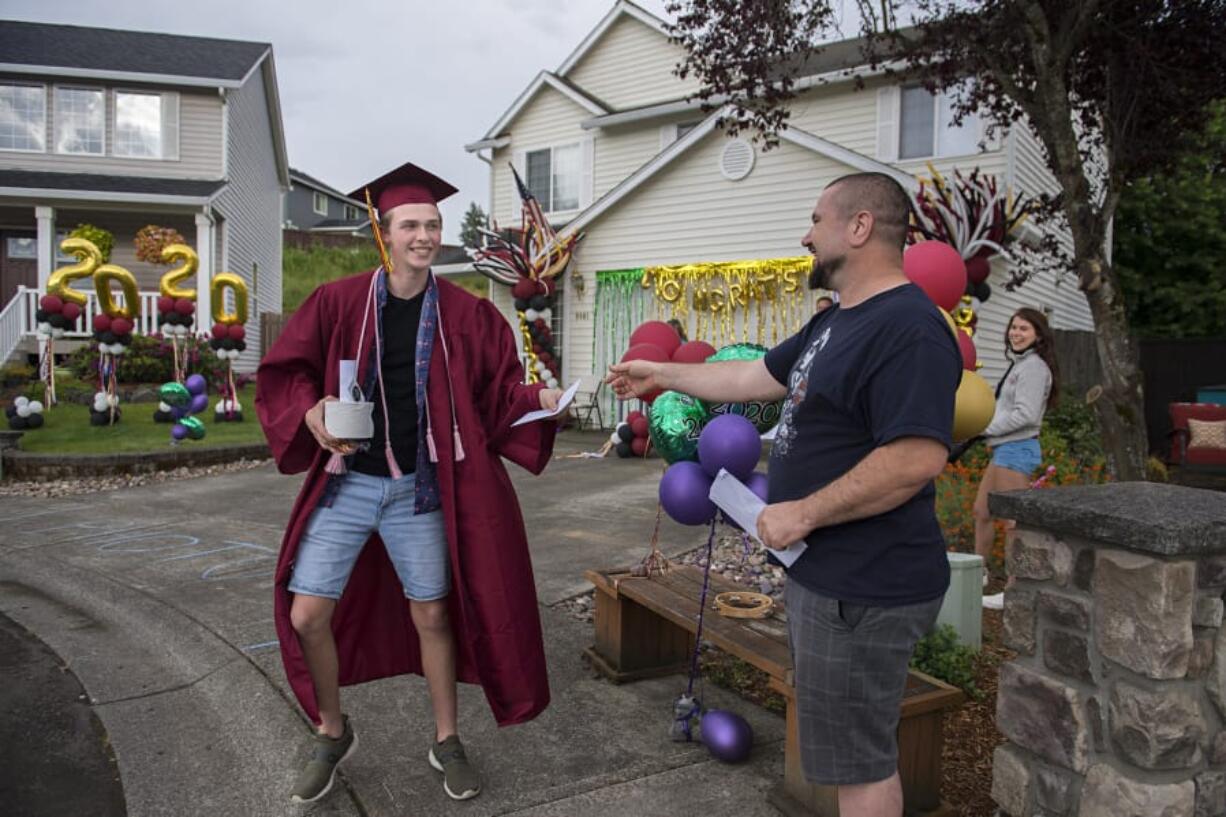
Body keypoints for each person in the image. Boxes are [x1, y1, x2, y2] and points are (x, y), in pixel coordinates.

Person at [607, 172, 961, 817]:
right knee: (845, 756)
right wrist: (659, 373)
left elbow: (915, 458)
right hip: (830, 578)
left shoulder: (908, 326)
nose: (806, 234)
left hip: (866, 583)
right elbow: (750, 376)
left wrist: (802, 512)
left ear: (858, 228)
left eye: (817, 220)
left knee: (859, 764)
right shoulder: (837, 323)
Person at [256, 161, 564, 805]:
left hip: (418, 492)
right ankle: (333, 731)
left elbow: (498, 391)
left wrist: (541, 397)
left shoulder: (467, 315)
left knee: (432, 614)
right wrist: (310, 411)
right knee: (307, 613)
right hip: (349, 485)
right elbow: (289, 371)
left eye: (432, 224)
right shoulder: (338, 302)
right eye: (410, 225)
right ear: (385, 234)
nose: (423, 235)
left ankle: (447, 739)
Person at [974, 307, 1057, 609]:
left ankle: (1015, 589)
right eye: (1013, 327)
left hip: (1018, 449)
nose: (1016, 333)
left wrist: (986, 430)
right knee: (981, 512)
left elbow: (1026, 414)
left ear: (1038, 335)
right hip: (1004, 449)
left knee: (1013, 523)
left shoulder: (1034, 368)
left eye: (1024, 329)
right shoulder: (1021, 365)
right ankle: (977, 574)